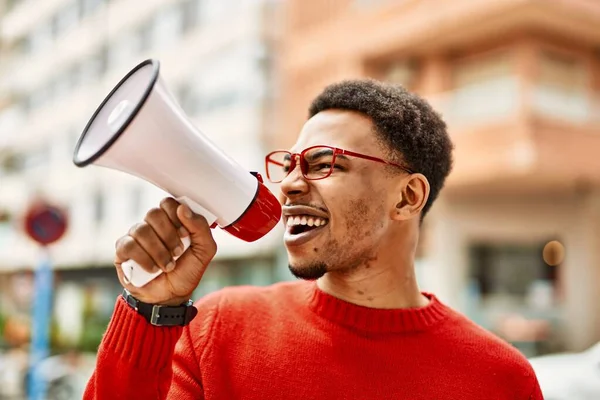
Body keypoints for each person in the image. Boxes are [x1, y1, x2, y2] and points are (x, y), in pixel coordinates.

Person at [83, 79, 543, 399]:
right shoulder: (216, 329)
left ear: (407, 196)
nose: (290, 184)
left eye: (325, 164)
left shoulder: (501, 379)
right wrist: (148, 311)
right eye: (290, 164)